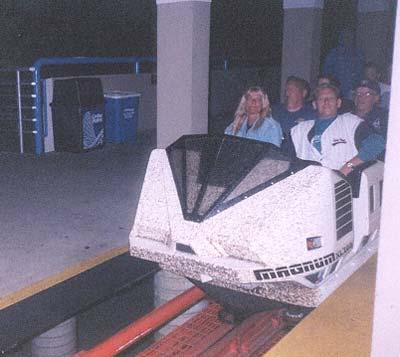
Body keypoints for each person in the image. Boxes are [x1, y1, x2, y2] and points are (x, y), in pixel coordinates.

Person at [290, 83, 385, 176]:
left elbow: (377, 143)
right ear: (315, 104)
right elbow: (285, 160)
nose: (326, 102)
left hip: (344, 186)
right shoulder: (299, 130)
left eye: (331, 98)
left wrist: (348, 167)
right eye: (321, 99)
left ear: (338, 103)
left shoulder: (351, 123)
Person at [323, 28, 364, 100]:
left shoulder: (358, 54)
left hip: (353, 90)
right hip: (337, 89)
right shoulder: (334, 53)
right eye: (345, 37)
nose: (348, 39)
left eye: (350, 37)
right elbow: (327, 72)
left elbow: (360, 72)